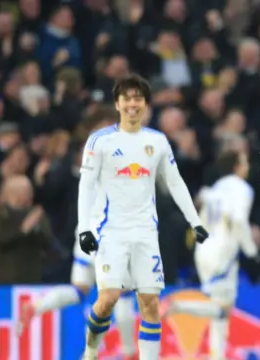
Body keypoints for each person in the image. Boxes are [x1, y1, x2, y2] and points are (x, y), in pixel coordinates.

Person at [76, 74, 209, 360]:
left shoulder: (158, 141)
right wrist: (84, 228)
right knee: (108, 299)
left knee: (149, 303)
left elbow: (175, 183)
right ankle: (90, 349)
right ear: (117, 103)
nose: (132, 104)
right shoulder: (100, 141)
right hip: (111, 231)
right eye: (127, 98)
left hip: (146, 233)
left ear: (146, 104)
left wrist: (194, 221)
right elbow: (85, 185)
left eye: (138, 98)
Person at [163, 150, 259, 360]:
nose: (247, 166)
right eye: (244, 162)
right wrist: (251, 250)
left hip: (204, 250)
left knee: (219, 310)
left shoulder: (215, 189)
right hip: (223, 252)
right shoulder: (242, 189)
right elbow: (239, 220)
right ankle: (177, 306)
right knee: (222, 309)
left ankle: (217, 355)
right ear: (236, 166)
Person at [17, 227, 138, 360]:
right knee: (123, 294)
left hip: (85, 233)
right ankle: (129, 353)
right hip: (111, 234)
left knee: (79, 290)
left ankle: (37, 306)